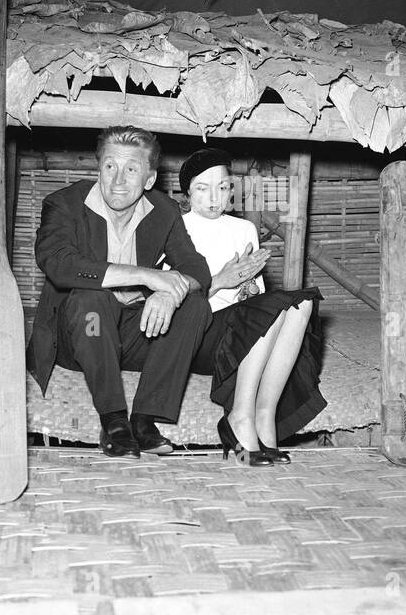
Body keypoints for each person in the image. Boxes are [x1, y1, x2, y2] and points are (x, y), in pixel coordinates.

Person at [29, 127, 213, 458]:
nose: (118, 180)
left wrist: (170, 293)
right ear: (98, 168)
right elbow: (57, 264)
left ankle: (144, 420)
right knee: (91, 297)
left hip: (131, 334)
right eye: (110, 166)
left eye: (131, 170)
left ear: (149, 179)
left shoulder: (164, 211)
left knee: (193, 304)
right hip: (83, 331)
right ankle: (114, 422)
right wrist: (150, 276)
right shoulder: (65, 203)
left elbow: (197, 270)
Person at [179, 147, 326, 466]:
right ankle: (238, 417)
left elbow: (256, 290)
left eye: (222, 187)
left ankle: (264, 415)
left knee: (301, 304)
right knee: (272, 308)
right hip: (197, 331)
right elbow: (172, 298)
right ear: (188, 191)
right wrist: (222, 280)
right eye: (202, 188)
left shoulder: (243, 230)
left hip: (240, 328)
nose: (213, 197)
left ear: (231, 190)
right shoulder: (177, 229)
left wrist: (248, 287)